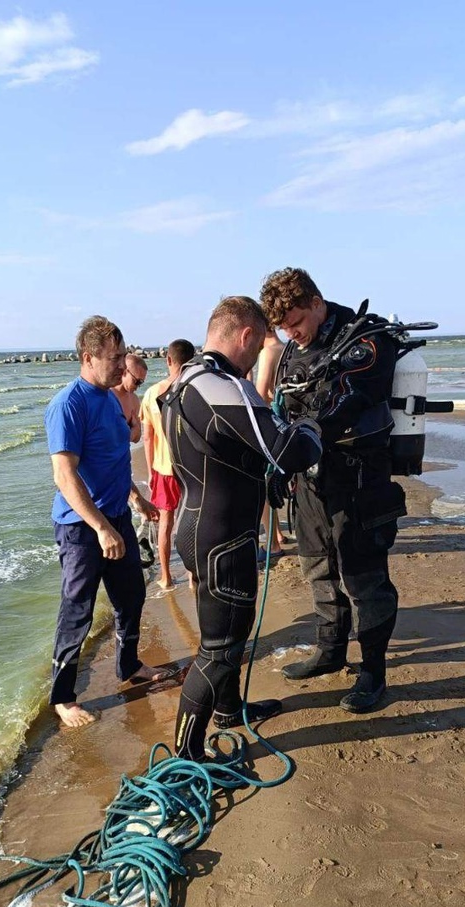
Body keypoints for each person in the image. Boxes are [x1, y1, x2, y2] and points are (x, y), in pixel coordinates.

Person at [163, 297, 323, 760]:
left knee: (225, 637)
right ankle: (186, 757)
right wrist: (313, 425)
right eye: (257, 350)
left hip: (199, 527)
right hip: (222, 537)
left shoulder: (180, 384)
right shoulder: (221, 385)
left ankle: (229, 711)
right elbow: (289, 450)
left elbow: (224, 451)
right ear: (246, 336)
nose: (256, 362)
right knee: (220, 648)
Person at [260, 267, 406, 713]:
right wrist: (278, 464)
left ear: (317, 303)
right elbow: (283, 408)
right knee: (317, 568)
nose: (292, 334)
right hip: (310, 483)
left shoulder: (367, 339)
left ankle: (373, 672)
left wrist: (297, 446)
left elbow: (346, 403)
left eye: (297, 323)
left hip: (359, 482)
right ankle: (330, 650)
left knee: (364, 579)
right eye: (283, 329)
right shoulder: (291, 352)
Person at [45, 317, 173, 728]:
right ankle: (63, 698)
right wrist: (100, 528)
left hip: (116, 516)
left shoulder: (109, 399)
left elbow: (114, 459)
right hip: (82, 529)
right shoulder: (69, 404)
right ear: (88, 358)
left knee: (131, 596)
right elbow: (65, 475)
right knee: (77, 610)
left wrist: (137, 499)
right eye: (114, 358)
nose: (123, 365)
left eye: (123, 356)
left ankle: (129, 665)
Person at [139, 338, 195, 590]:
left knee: (166, 523)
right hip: (192, 467)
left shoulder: (152, 393)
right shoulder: (195, 387)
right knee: (193, 520)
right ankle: (194, 574)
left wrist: (151, 470)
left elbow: (148, 437)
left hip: (164, 468)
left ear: (168, 360)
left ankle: (166, 576)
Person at [255, 323, 286, 557]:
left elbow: (260, 395)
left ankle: (273, 542)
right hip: (288, 423)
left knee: (265, 486)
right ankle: (278, 534)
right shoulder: (287, 347)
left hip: (272, 424)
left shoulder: (268, 352)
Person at [111, 353, 148, 443]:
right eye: (137, 381)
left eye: (141, 383)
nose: (138, 386)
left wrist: (135, 428)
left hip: (124, 456)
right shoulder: (106, 395)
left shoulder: (134, 400)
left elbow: (137, 437)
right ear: (124, 372)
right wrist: (133, 429)